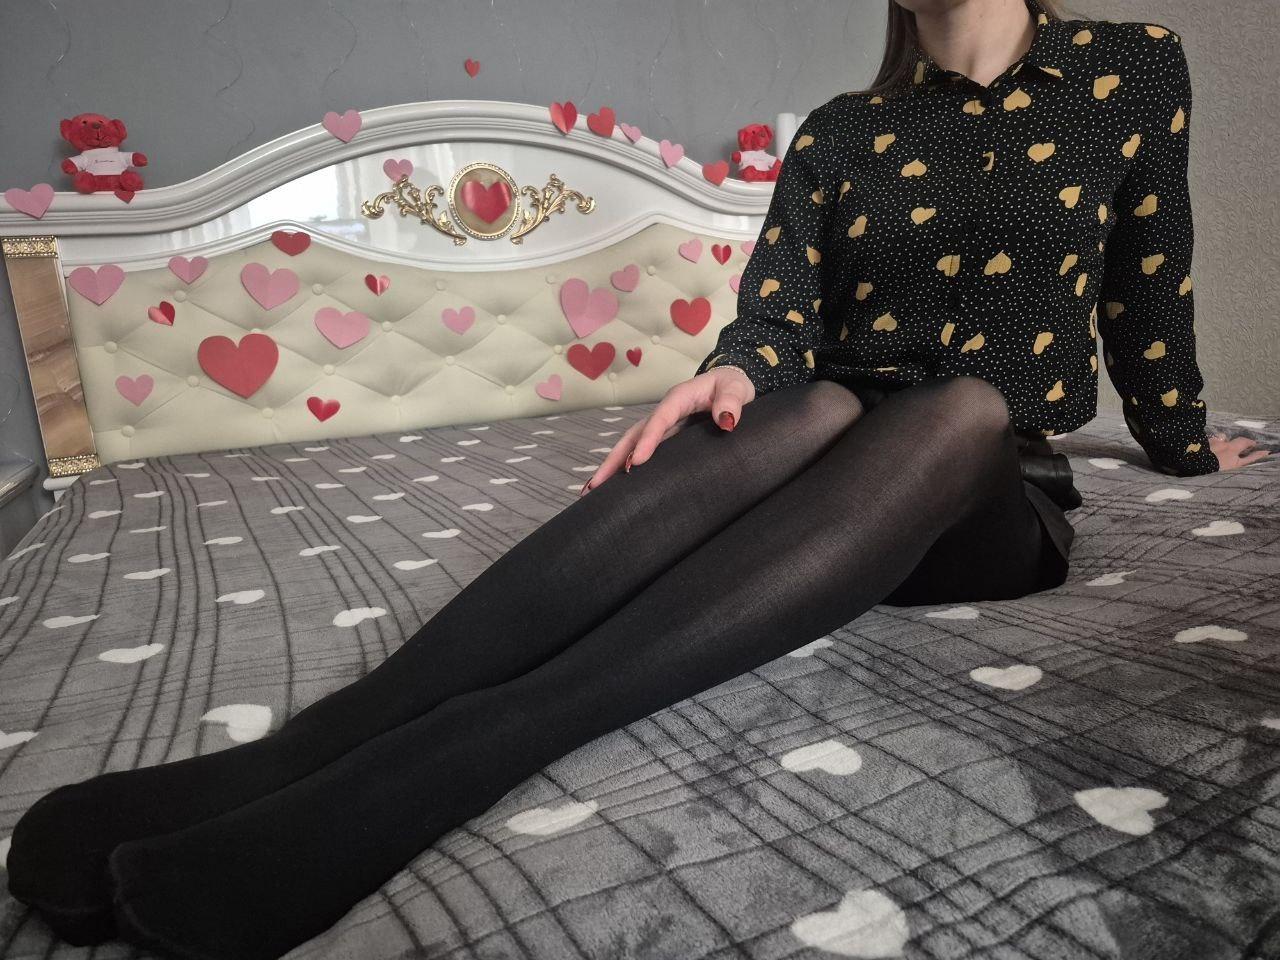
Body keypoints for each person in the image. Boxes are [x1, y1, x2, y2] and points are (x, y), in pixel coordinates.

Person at [6, 0, 1270, 957]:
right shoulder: (844, 131)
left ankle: (471, 746)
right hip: (833, 488)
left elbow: (1146, 281)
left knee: (961, 405)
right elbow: (777, 313)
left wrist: (1179, 439)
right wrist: (732, 372)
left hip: (988, 493)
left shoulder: (1127, 68)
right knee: (817, 395)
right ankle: (324, 742)